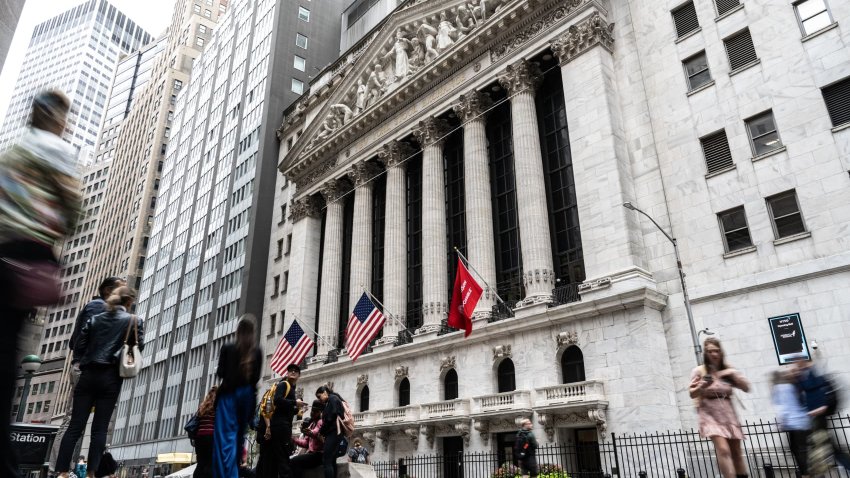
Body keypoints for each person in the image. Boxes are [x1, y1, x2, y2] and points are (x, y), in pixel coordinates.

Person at [0, 90, 80, 477]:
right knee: (6, 357)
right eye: (66, 116)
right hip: (27, 258)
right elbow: (72, 209)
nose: (68, 123)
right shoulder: (56, 150)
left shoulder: (12, 152)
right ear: (55, 118)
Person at [56, 286, 145, 477]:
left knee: (75, 426)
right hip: (111, 377)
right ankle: (91, 473)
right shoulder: (133, 320)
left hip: (88, 374)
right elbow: (138, 347)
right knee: (100, 428)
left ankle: (62, 472)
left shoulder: (95, 319)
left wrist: (85, 360)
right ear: (129, 302)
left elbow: (79, 344)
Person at [51, 276, 125, 471]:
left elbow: (77, 340)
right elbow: (80, 340)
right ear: (109, 291)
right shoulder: (99, 307)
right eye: (122, 287)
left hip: (88, 368)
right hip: (91, 370)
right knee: (75, 422)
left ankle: (62, 471)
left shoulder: (100, 309)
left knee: (80, 423)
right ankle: (59, 470)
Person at [689, 337, 750, 478]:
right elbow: (692, 393)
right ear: (705, 353)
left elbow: (747, 388)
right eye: (710, 351)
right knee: (723, 450)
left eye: (716, 351)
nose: (714, 354)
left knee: (736, 452)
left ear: (721, 352)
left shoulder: (728, 369)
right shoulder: (699, 371)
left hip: (728, 413)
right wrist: (701, 385)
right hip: (709, 413)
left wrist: (732, 373)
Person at [214, 315, 263, 478]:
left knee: (224, 443)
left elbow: (221, 373)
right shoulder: (257, 351)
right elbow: (255, 379)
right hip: (247, 398)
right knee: (237, 440)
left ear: (237, 331)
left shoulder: (228, 348)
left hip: (228, 398)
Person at [794, 358, 850, 474]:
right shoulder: (805, 375)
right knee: (825, 448)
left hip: (817, 417)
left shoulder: (812, 374)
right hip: (814, 417)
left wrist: (819, 408)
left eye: (798, 363)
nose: (796, 366)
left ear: (803, 362)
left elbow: (818, 392)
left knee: (823, 448)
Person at [257, 363, 305, 478]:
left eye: (296, 371)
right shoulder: (284, 385)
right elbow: (277, 401)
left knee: (274, 458)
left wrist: (296, 409)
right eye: (291, 370)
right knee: (283, 457)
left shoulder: (291, 388)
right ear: (287, 373)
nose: (293, 372)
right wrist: (295, 403)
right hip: (280, 427)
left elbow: (283, 408)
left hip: (280, 426)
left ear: (299, 375)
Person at [771, 369, 810, 477]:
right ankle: (807, 473)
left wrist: (781, 422)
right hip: (802, 422)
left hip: (794, 424)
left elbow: (782, 407)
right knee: (801, 449)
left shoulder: (779, 388)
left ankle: (806, 474)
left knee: (797, 450)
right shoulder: (793, 387)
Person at [316, 386, 346, 478]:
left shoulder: (332, 399)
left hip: (333, 433)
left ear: (325, 392)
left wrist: (321, 432)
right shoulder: (334, 398)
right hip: (336, 433)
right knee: (332, 460)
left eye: (319, 396)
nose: (319, 399)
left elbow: (330, 417)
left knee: (327, 460)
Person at [291, 401, 325, 478]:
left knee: (294, 461)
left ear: (320, 412)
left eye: (315, 411)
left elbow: (315, 432)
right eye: (312, 411)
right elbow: (306, 443)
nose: (312, 413)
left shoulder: (320, 422)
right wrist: (294, 439)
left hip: (319, 455)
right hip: (311, 454)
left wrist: (309, 432)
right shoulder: (312, 424)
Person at [194, 386, 218, 478]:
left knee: (200, 463)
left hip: (199, 438)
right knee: (210, 463)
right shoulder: (217, 406)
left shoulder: (202, 406)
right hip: (211, 437)